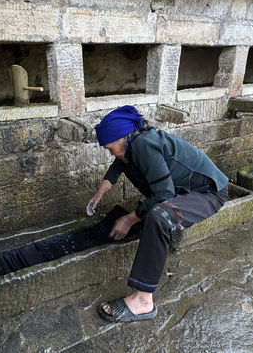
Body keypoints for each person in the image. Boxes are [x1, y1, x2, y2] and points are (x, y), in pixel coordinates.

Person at [89, 105, 229, 323]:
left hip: (209, 193)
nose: (111, 153)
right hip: (185, 192)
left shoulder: (144, 144)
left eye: (110, 148)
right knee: (151, 211)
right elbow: (119, 164)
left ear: (123, 138)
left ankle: (144, 300)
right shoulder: (132, 144)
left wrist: (129, 218)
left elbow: (164, 194)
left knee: (158, 215)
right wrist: (101, 192)